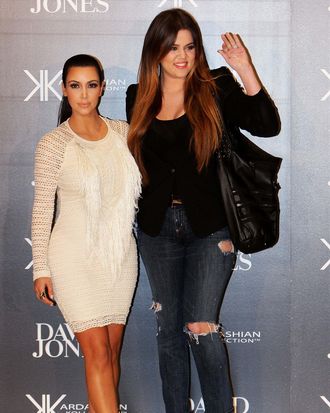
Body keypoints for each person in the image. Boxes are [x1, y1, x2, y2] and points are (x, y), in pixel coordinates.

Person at [126, 8, 280, 413]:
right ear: (156, 51)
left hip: (210, 229)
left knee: (200, 326)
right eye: (173, 47)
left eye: (190, 47)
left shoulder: (216, 87)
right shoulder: (136, 97)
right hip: (157, 230)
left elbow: (267, 125)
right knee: (168, 333)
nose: (182, 56)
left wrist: (245, 68)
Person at [32, 54, 141, 413]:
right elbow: (43, 208)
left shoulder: (124, 133)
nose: (83, 95)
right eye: (75, 86)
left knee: (110, 354)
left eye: (91, 85)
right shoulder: (53, 143)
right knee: (96, 354)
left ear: (102, 88)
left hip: (120, 258)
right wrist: (41, 268)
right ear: (64, 89)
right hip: (74, 259)